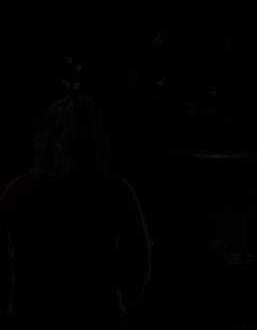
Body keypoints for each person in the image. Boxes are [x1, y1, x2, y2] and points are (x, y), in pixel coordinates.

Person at [0, 94, 151, 330]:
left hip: (31, 314)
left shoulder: (18, 190)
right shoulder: (115, 190)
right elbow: (139, 261)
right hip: (97, 313)